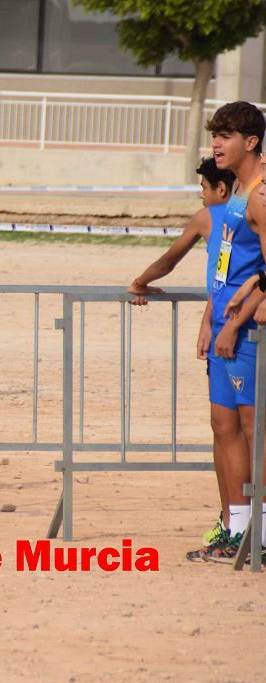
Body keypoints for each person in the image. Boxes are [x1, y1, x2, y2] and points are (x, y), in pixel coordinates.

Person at [128, 155, 240, 560]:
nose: (202, 196)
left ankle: (235, 522)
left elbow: (169, 260)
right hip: (225, 321)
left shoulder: (213, 216)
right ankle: (236, 522)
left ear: (221, 189)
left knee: (228, 431)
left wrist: (139, 281)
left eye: (205, 189)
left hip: (233, 332)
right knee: (238, 430)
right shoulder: (242, 212)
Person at [203, 101, 266, 561]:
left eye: (225, 136)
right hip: (226, 329)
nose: (216, 145)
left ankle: (259, 536)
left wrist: (239, 319)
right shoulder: (240, 190)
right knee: (223, 425)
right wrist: (213, 315)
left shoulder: (261, 194)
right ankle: (235, 532)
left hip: (247, 335)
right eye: (213, 135)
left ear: (251, 141)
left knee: (252, 429)